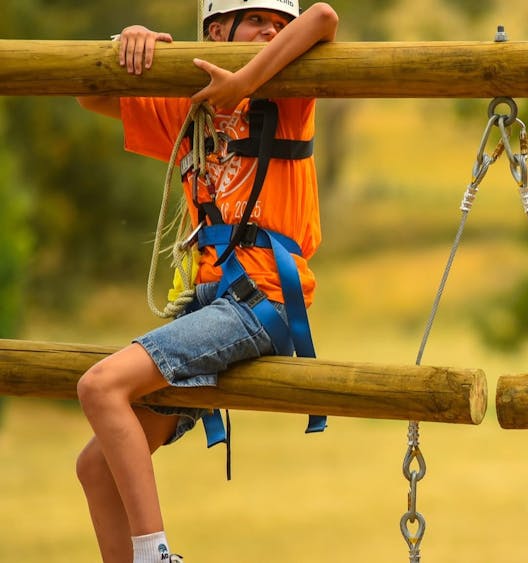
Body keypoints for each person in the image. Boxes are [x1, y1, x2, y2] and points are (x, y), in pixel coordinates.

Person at [74, 1, 339, 562]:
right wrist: (134, 39)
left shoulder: (285, 97)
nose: (272, 31)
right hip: (209, 307)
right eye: (257, 21)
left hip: (260, 301)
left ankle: (155, 553)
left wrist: (243, 78)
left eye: (277, 24)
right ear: (217, 31)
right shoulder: (189, 112)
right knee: (94, 467)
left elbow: (322, 18)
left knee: (100, 386)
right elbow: (91, 94)